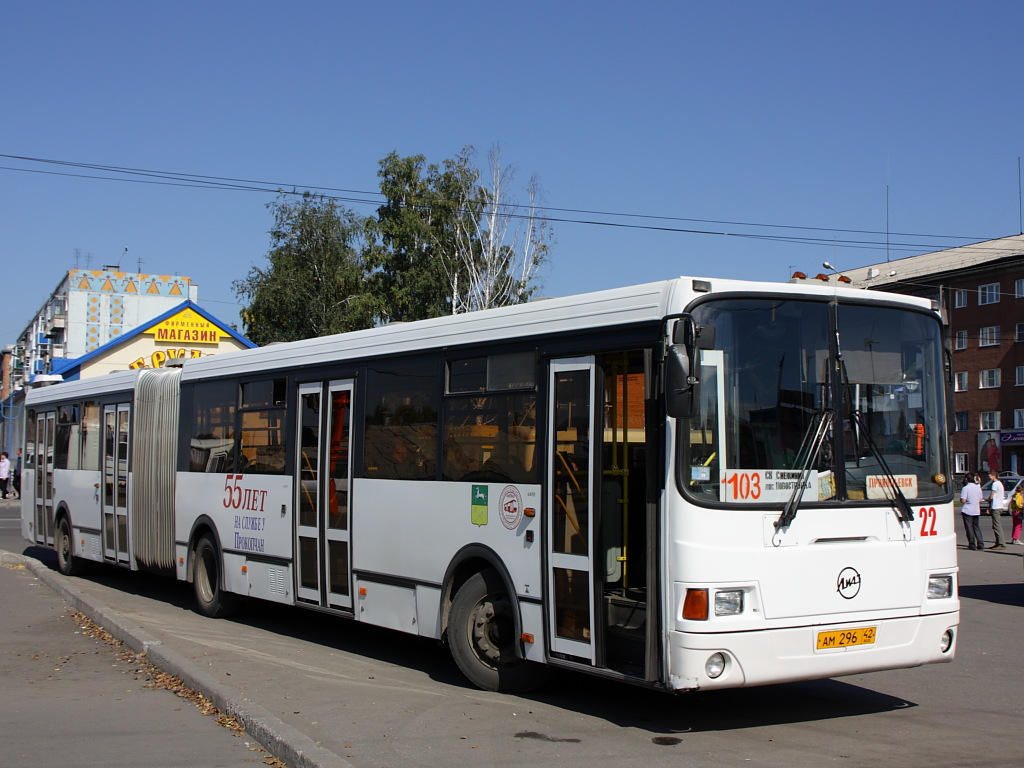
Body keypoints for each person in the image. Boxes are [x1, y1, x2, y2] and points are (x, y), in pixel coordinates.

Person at [959, 474, 984, 550]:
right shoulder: (978, 488)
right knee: (976, 527)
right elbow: (980, 499)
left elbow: (963, 500)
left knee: (969, 527)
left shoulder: (965, 488)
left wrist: (966, 500)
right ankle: (980, 543)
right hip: (976, 509)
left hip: (967, 509)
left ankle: (972, 544)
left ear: (966, 479)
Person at [985, 471, 1007, 550]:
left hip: (996, 506)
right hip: (999, 506)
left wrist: (988, 500)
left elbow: (992, 495)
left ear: (994, 476)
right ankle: (998, 542)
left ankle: (1001, 543)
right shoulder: (1000, 484)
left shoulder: (995, 484)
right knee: (995, 525)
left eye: (990, 476)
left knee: (997, 526)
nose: (989, 477)